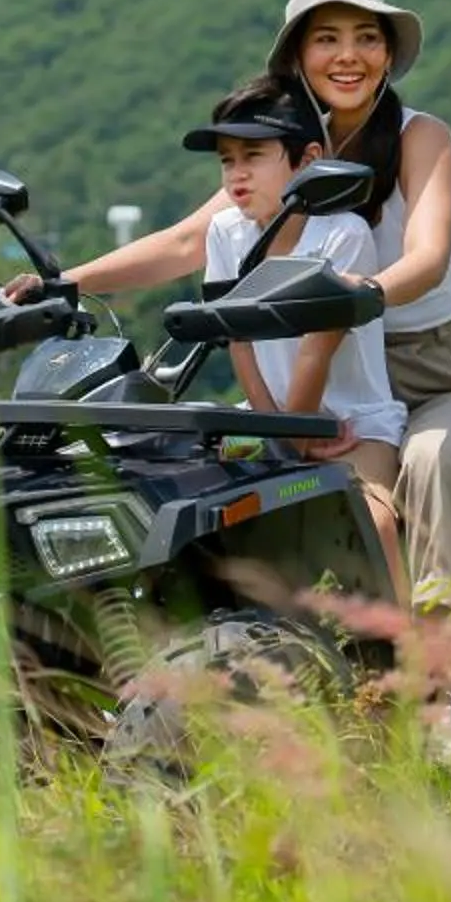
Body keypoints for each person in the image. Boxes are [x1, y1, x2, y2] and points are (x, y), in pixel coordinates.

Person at [24, 0, 451, 608]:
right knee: (171, 454)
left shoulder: (419, 137)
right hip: (314, 379)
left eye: (367, 38)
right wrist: (63, 283)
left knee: (435, 463)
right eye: (327, 39)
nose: (348, 56)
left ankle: (447, 677)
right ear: (298, 54)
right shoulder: (282, 146)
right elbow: (189, 241)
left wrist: (355, 295)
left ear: (389, 52)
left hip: (439, 372)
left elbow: (427, 256)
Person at [189, 75, 410, 599]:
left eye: (253, 157)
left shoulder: (342, 234)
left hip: (353, 424)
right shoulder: (226, 232)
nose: (236, 175)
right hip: (269, 419)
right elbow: (237, 339)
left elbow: (318, 348)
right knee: (188, 496)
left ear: (307, 159)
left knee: (373, 519)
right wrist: (277, 433)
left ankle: (413, 659)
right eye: (226, 161)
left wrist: (295, 436)